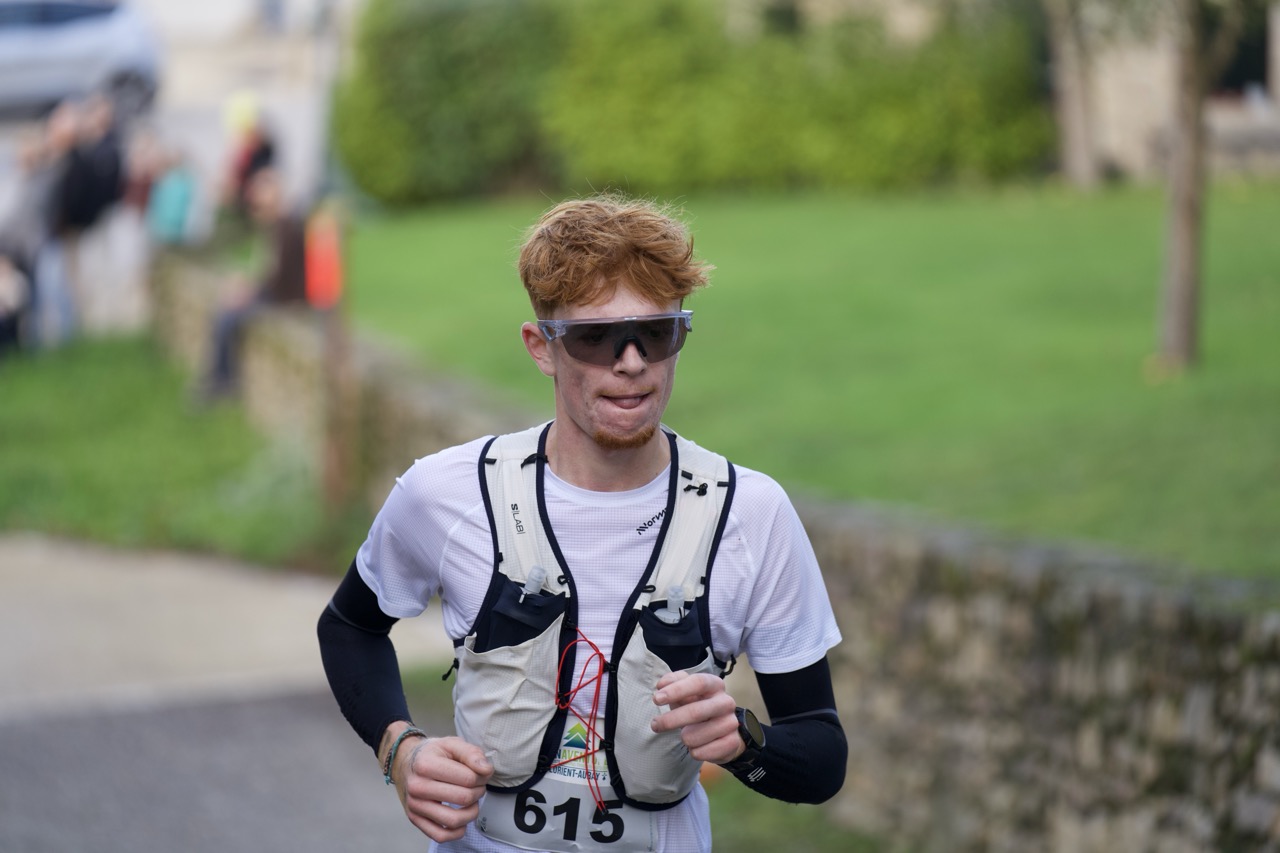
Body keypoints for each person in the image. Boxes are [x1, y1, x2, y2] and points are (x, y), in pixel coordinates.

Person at [317, 193, 847, 852]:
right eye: (596, 337)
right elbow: (350, 627)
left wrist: (746, 742)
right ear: (542, 347)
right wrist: (399, 748)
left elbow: (822, 755)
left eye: (657, 333)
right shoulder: (447, 493)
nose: (632, 362)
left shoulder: (750, 513)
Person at [198, 167, 306, 400]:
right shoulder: (276, 224)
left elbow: (280, 277)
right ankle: (217, 377)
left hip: (284, 299)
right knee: (224, 309)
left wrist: (248, 292)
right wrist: (245, 284)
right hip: (275, 293)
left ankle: (224, 382)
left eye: (261, 193)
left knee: (227, 317)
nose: (256, 200)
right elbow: (268, 268)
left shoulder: (287, 225)